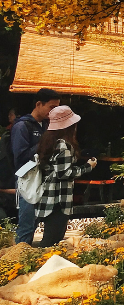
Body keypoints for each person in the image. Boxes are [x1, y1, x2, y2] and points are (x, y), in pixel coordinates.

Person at [33, 106, 96, 247]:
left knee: (50, 239)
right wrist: (88, 167)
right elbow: (64, 173)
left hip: (48, 197)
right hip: (59, 200)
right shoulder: (64, 146)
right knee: (52, 241)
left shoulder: (48, 141)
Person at [11, 89, 60, 245]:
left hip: (42, 181)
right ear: (39, 104)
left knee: (34, 224)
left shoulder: (46, 125)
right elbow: (20, 157)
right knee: (26, 226)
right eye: (52, 107)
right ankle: (15, 263)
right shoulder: (22, 126)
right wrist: (44, 143)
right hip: (28, 182)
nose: (54, 112)